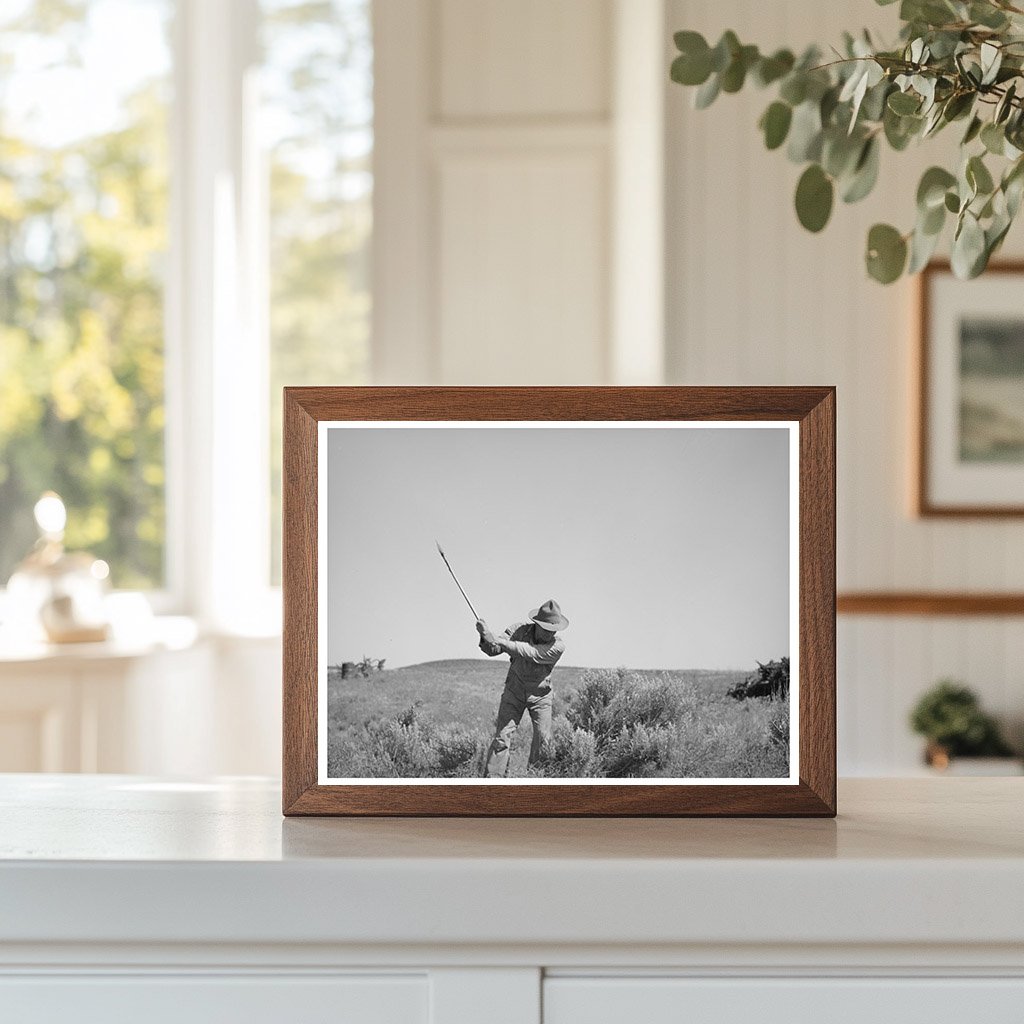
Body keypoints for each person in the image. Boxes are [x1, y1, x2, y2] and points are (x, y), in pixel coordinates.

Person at [476, 599, 569, 778]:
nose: (550, 634)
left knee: (544, 739)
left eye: (553, 630)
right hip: (514, 691)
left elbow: (530, 652)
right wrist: (486, 636)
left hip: (541, 697)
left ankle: (535, 780)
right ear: (537, 624)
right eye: (546, 629)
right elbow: (494, 649)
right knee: (502, 737)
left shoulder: (558, 646)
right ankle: (492, 783)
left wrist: (498, 640)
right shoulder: (518, 630)